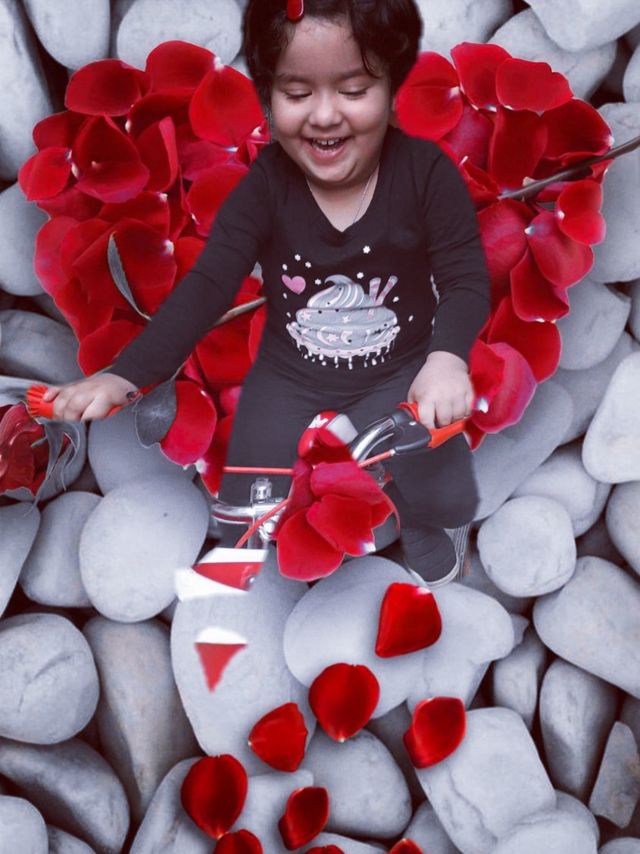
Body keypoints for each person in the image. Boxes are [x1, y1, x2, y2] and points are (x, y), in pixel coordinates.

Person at [43, 0, 491, 587]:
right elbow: (206, 289)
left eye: (353, 91)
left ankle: (428, 512)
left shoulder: (424, 175)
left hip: (396, 358)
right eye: (298, 93)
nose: (325, 115)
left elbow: (464, 277)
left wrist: (448, 356)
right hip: (292, 366)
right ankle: (252, 540)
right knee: (259, 448)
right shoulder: (263, 189)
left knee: (415, 438)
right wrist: (126, 374)